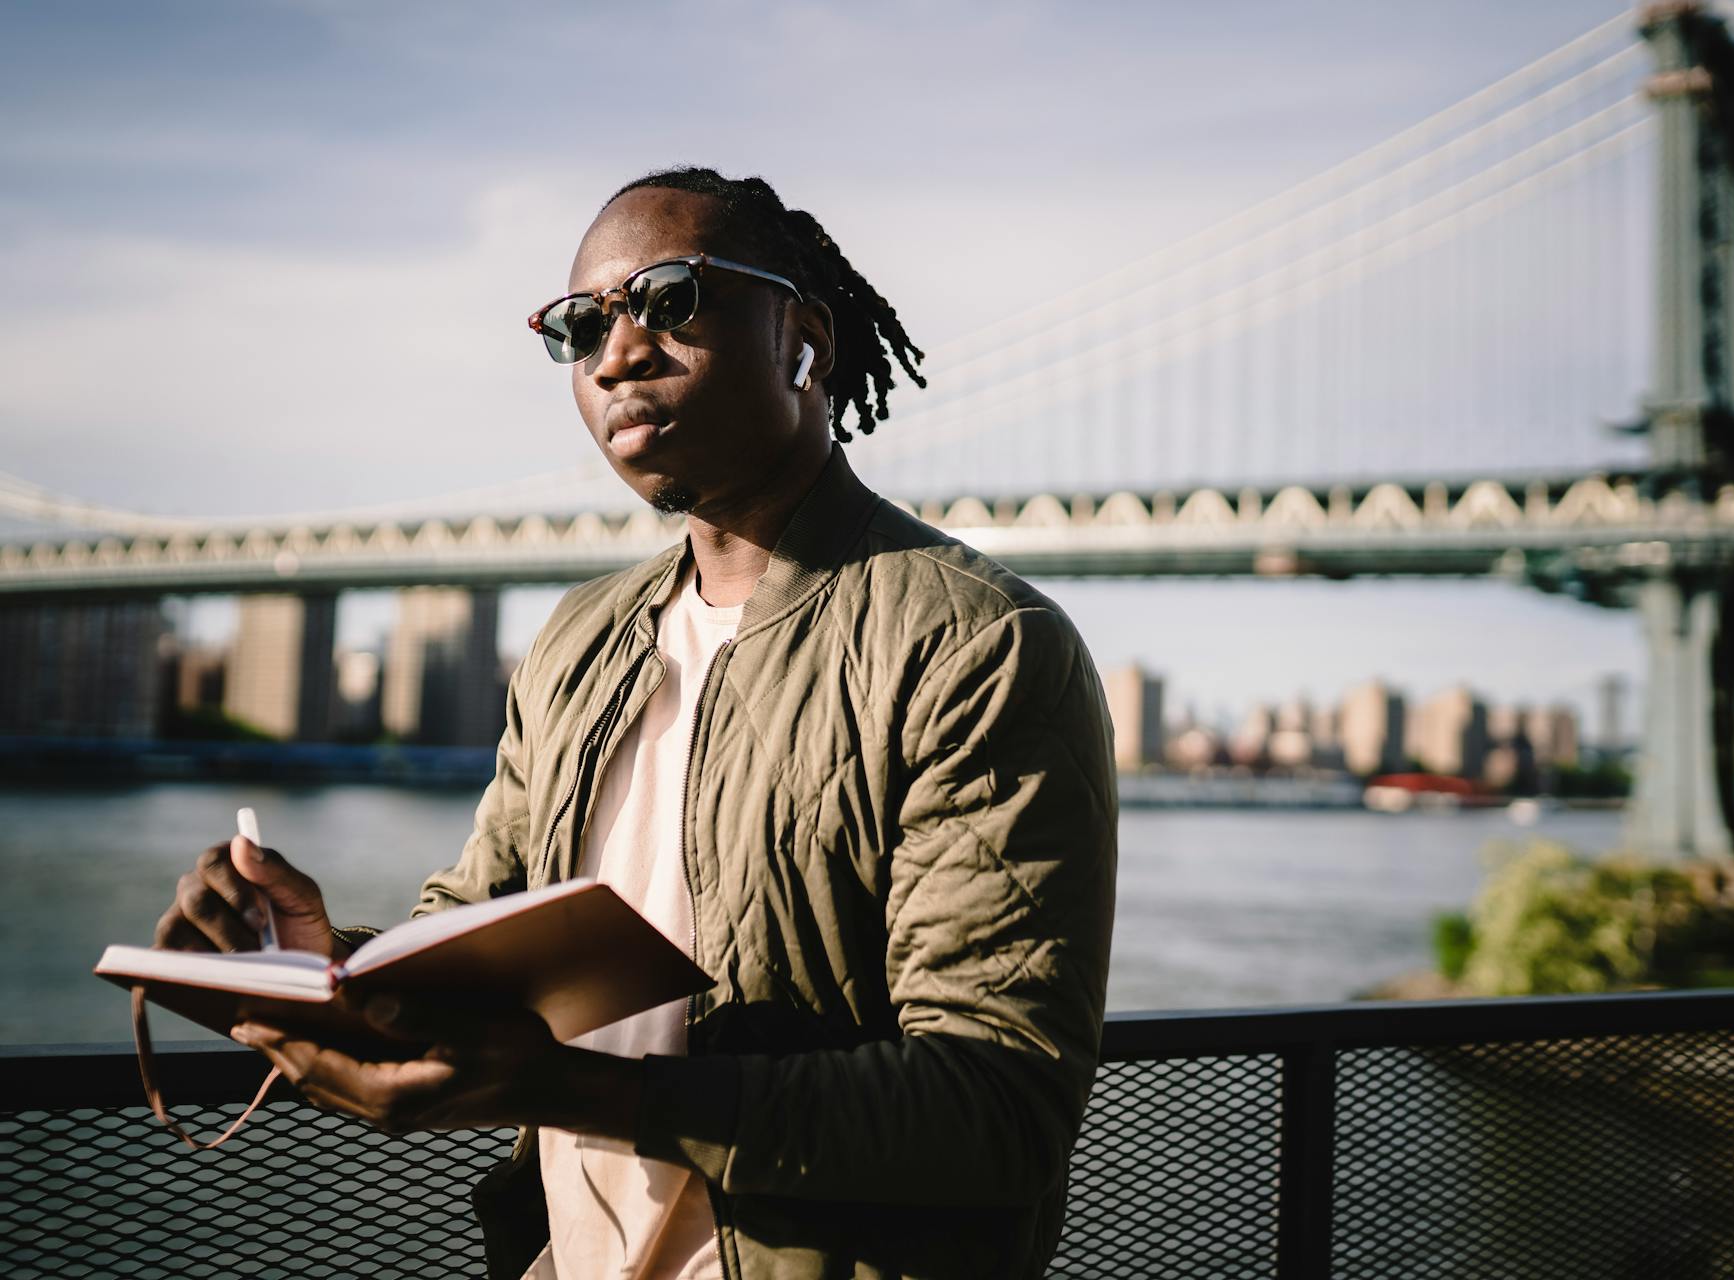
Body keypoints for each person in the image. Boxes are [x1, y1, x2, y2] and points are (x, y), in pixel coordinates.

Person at [151, 167, 1119, 1279]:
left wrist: (565, 1087)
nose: (616, 354)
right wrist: (326, 967)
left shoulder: (975, 643)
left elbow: (997, 1108)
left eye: (667, 299)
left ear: (803, 336)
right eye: (578, 327)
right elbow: (476, 938)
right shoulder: (577, 644)